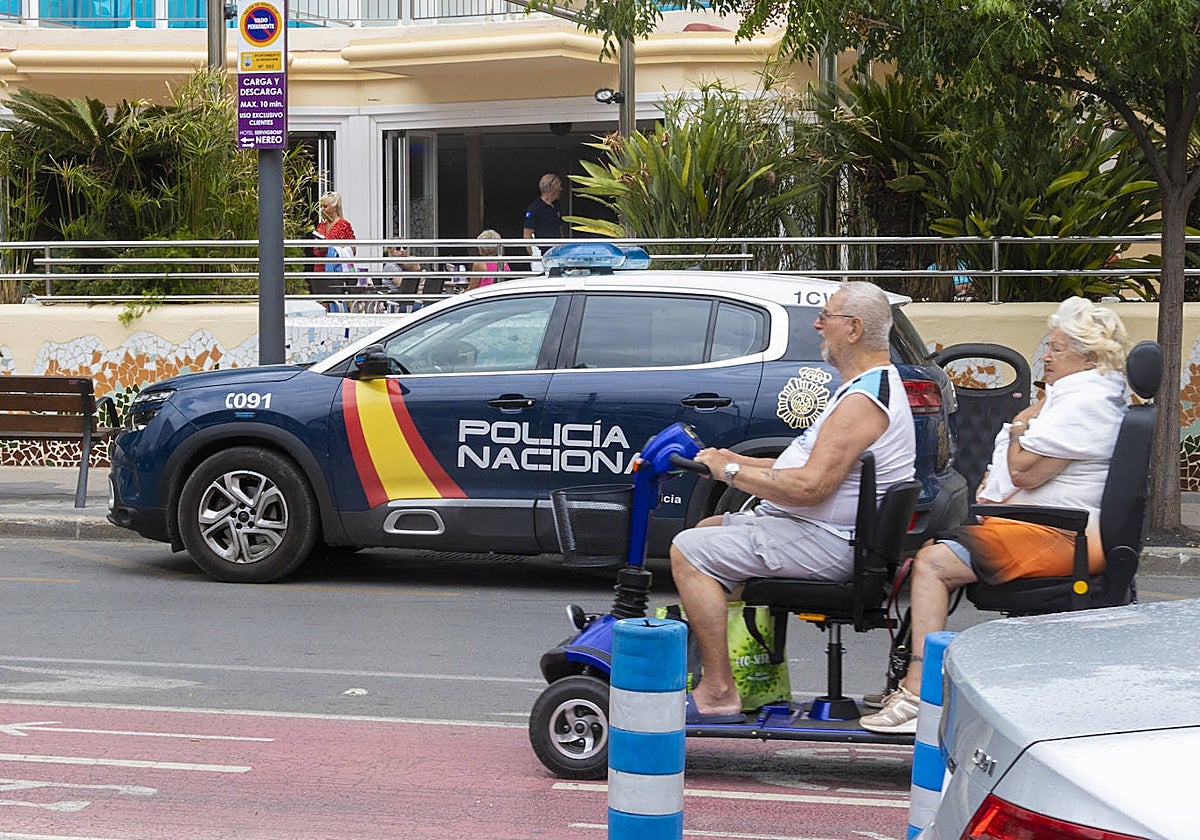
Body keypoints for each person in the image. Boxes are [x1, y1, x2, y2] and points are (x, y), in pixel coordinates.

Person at [859, 296, 1130, 734]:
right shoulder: (1084, 396)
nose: (1046, 355)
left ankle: (918, 694)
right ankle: (909, 680)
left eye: (1057, 348)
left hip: (1063, 534)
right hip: (1055, 525)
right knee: (939, 547)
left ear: (1088, 357)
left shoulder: (1084, 403)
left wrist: (1020, 428)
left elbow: (1023, 470)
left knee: (933, 563)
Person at [670, 281, 917, 724]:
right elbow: (800, 464)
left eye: (826, 316)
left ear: (854, 328)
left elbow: (808, 488)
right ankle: (748, 671)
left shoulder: (863, 401)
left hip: (830, 541)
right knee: (707, 531)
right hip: (824, 532)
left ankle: (719, 691)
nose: (818, 325)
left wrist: (730, 473)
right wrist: (731, 459)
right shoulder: (864, 387)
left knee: (688, 551)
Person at [314, 191, 356, 283]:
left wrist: (332, 248)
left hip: (336, 270)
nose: (322, 210)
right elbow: (315, 250)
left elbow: (352, 250)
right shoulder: (321, 226)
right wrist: (320, 246)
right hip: (320, 269)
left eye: (325, 206)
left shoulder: (343, 225)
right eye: (321, 206)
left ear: (334, 207)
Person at [522, 173, 564, 266]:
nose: (561, 189)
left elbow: (559, 228)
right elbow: (527, 235)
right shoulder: (535, 208)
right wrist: (534, 257)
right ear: (552, 187)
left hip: (557, 254)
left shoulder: (556, 205)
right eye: (559, 185)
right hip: (542, 255)